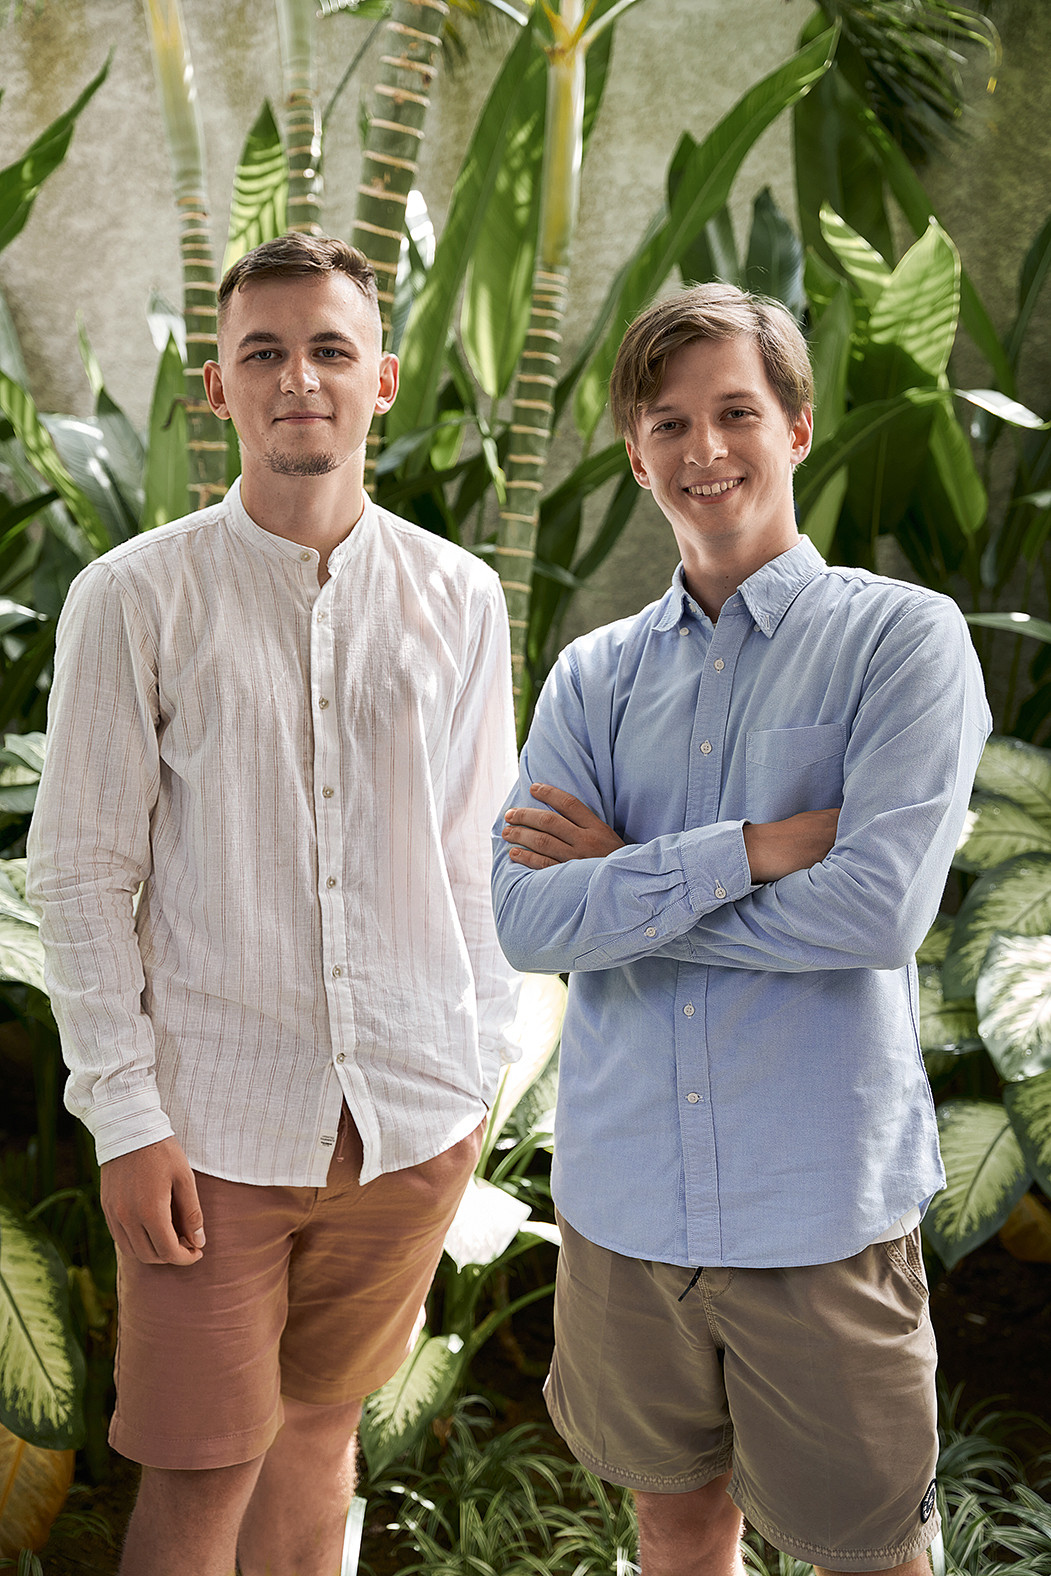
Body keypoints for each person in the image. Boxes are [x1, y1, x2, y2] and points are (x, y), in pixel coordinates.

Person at [27, 234, 519, 1576]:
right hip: (210, 1135)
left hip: (409, 1121)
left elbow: (479, 857)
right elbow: (80, 872)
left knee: (318, 1443)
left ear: (382, 381)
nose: (299, 377)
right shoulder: (133, 598)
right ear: (219, 386)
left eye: (330, 350)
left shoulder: (462, 598)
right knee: (197, 1480)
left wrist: (475, 1079)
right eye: (265, 352)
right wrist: (127, 1119)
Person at [492, 282, 990, 1576]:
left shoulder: (901, 643)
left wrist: (628, 885)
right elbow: (529, 918)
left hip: (814, 1210)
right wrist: (754, 851)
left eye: (736, 413)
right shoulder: (593, 676)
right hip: (627, 1204)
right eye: (668, 422)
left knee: (869, 1553)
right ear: (635, 451)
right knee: (671, 1523)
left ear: (798, 428)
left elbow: (878, 910)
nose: (703, 449)